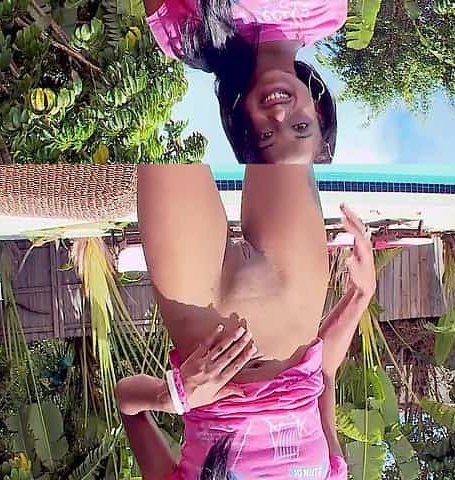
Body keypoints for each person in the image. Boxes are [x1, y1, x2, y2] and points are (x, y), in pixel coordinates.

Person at [116, 164, 376, 479]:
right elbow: (322, 376)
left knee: (167, 149)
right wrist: (360, 295)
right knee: (283, 135)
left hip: (197, 310)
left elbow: (126, 401)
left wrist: (171, 397)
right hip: (293, 295)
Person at [143, 0, 343, 164]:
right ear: (318, 112)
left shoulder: (186, 39)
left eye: (266, 135)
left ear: (246, 127)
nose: (279, 113)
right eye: (301, 126)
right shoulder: (327, 13)